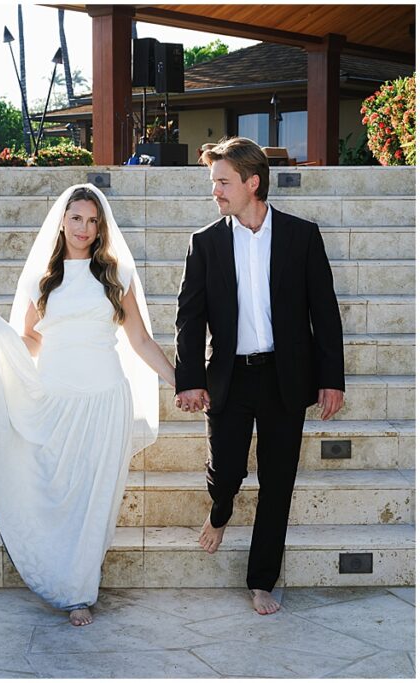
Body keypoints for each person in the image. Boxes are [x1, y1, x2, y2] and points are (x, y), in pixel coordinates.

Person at [0, 184, 173, 627]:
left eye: (92, 220)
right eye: (76, 218)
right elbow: (32, 339)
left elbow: (139, 339)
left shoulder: (116, 275)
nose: (84, 228)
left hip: (106, 398)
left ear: (100, 226)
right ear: (62, 221)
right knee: (60, 494)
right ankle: (61, 576)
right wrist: (1, 339)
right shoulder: (41, 279)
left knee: (94, 500)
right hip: (56, 400)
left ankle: (79, 592)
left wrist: (179, 380)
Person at [174, 136, 345, 615]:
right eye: (214, 183)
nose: (216, 192)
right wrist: (189, 377)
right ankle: (220, 510)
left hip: (284, 377)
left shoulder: (301, 236)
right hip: (229, 376)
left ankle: (261, 580)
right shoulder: (204, 243)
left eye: (223, 182)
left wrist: (332, 378)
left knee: (278, 481)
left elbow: (324, 313)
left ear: (253, 182)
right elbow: (189, 317)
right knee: (226, 468)